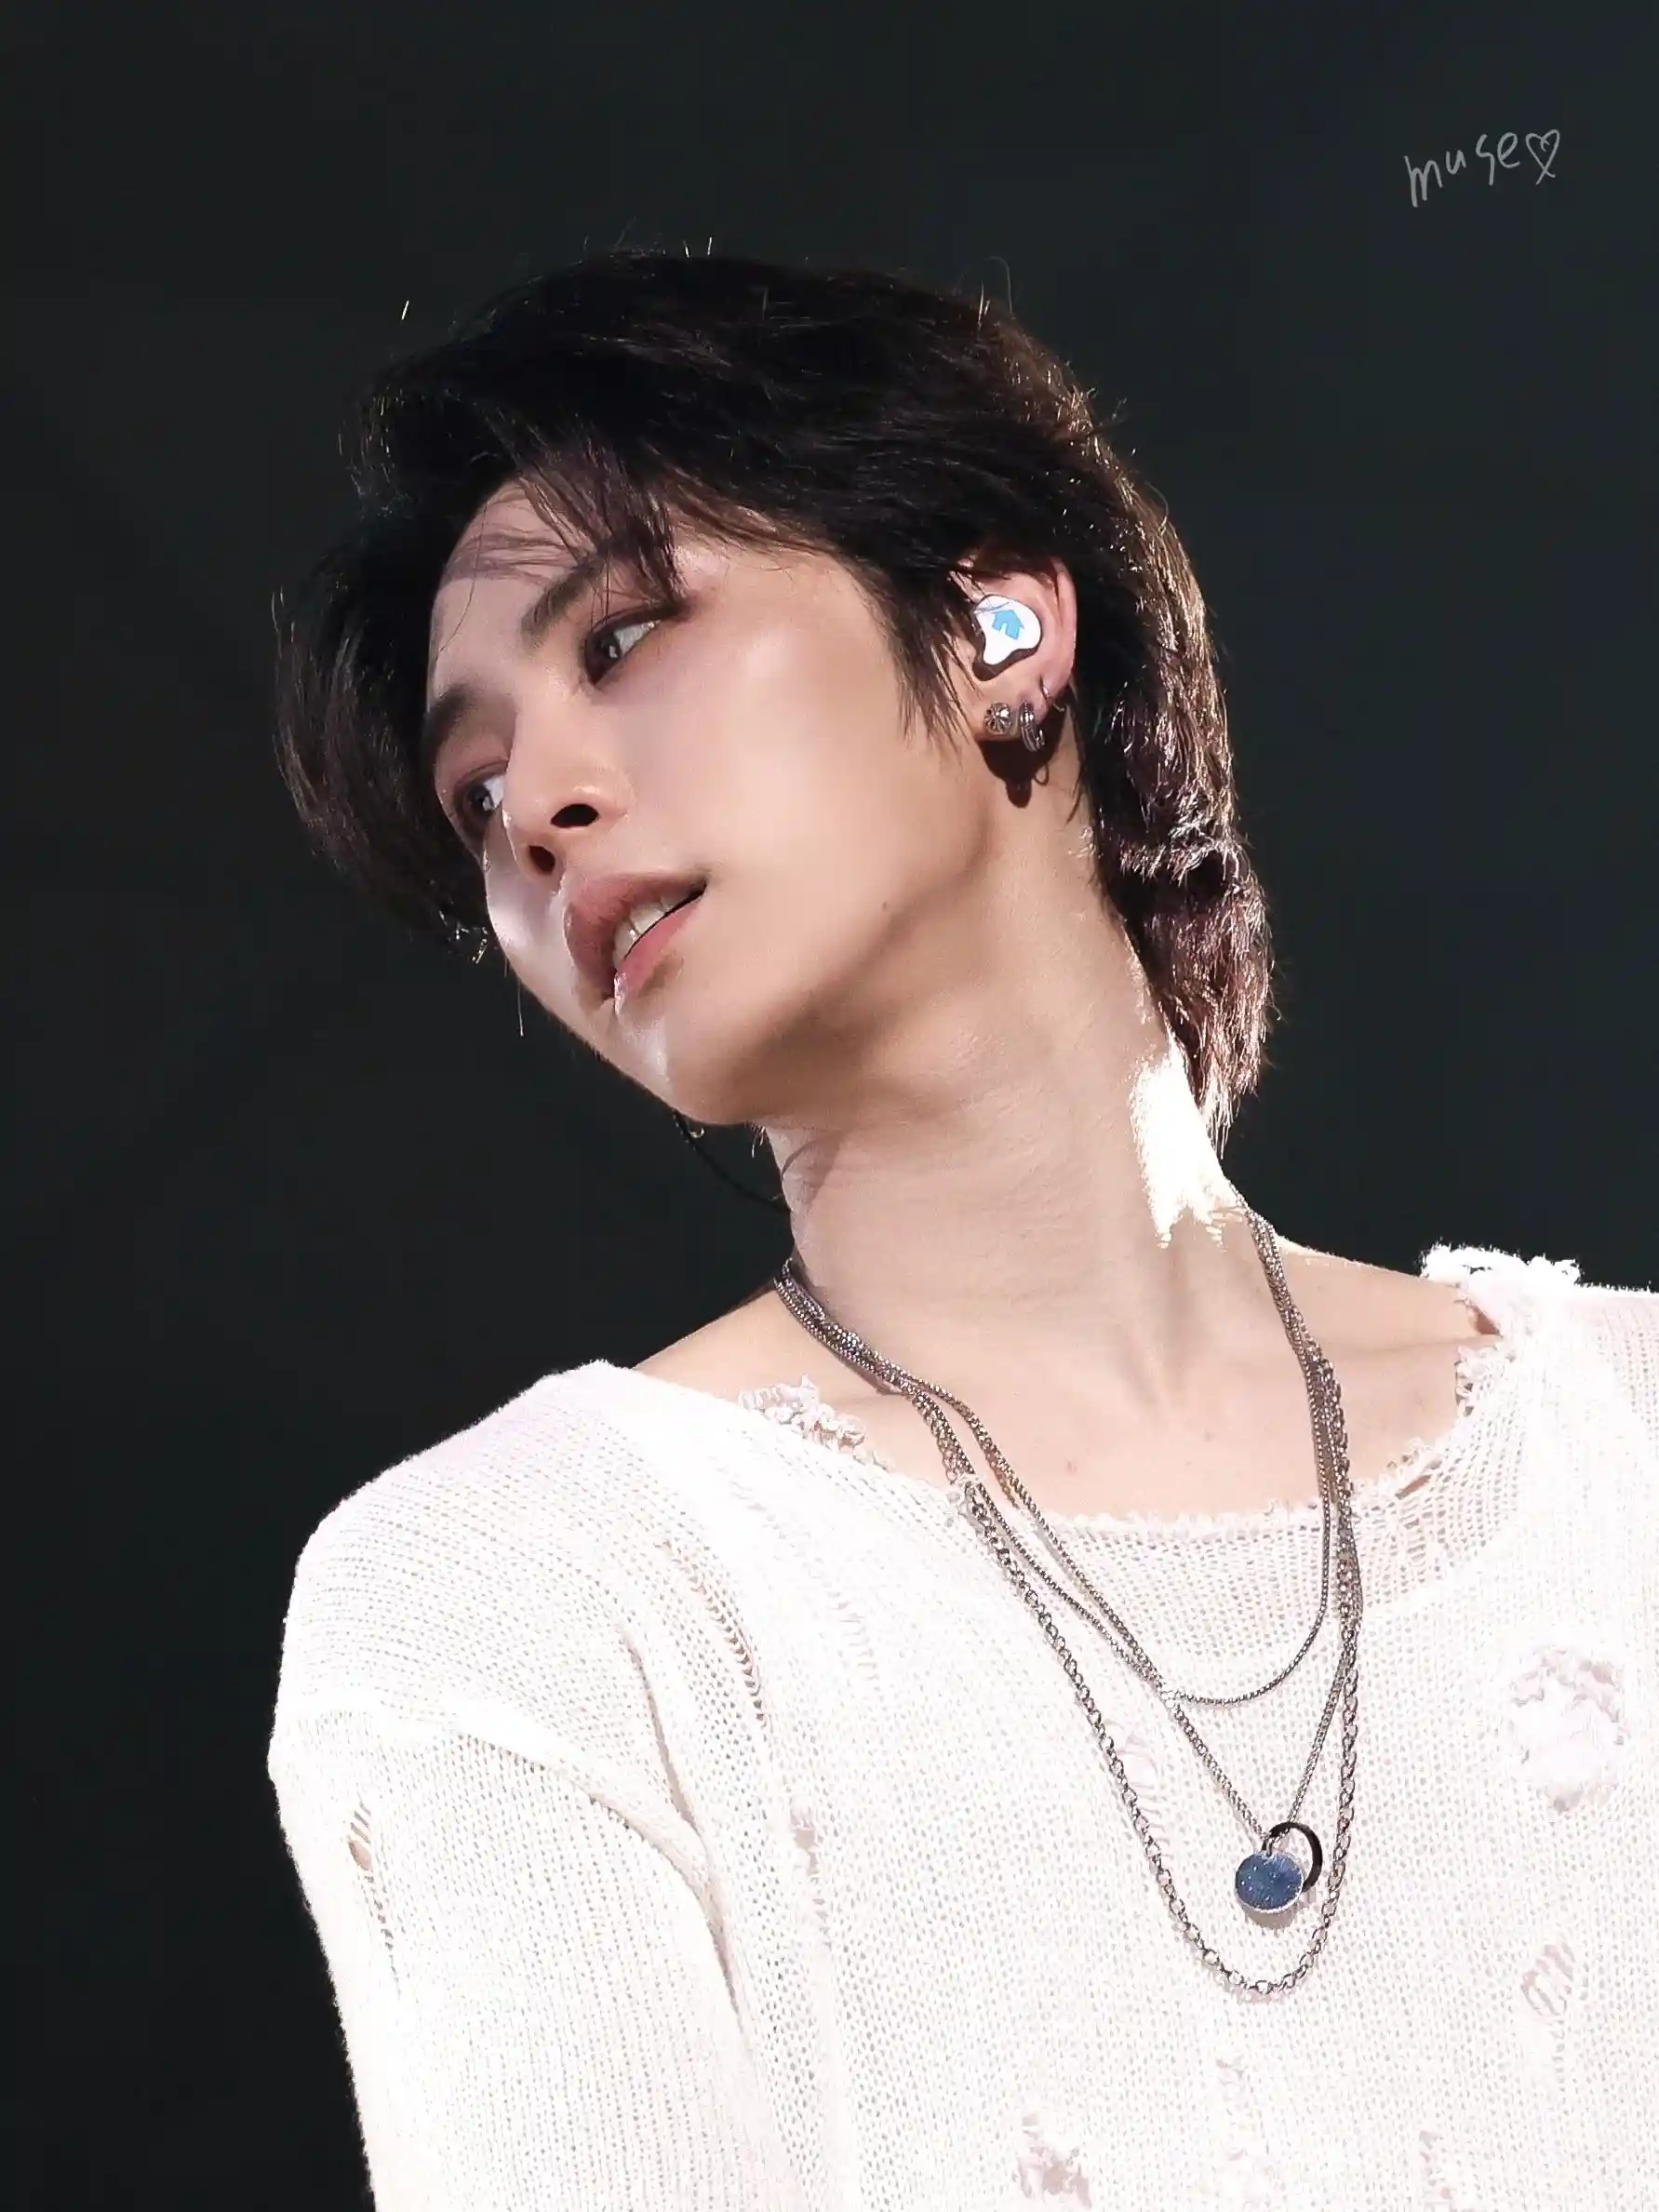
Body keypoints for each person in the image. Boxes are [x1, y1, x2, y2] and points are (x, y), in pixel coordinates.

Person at [265, 249, 1656, 2211]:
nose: (542, 810)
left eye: (627, 637)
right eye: (476, 792)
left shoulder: (1627, 1441)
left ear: (1001, 624)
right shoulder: (526, 1593)